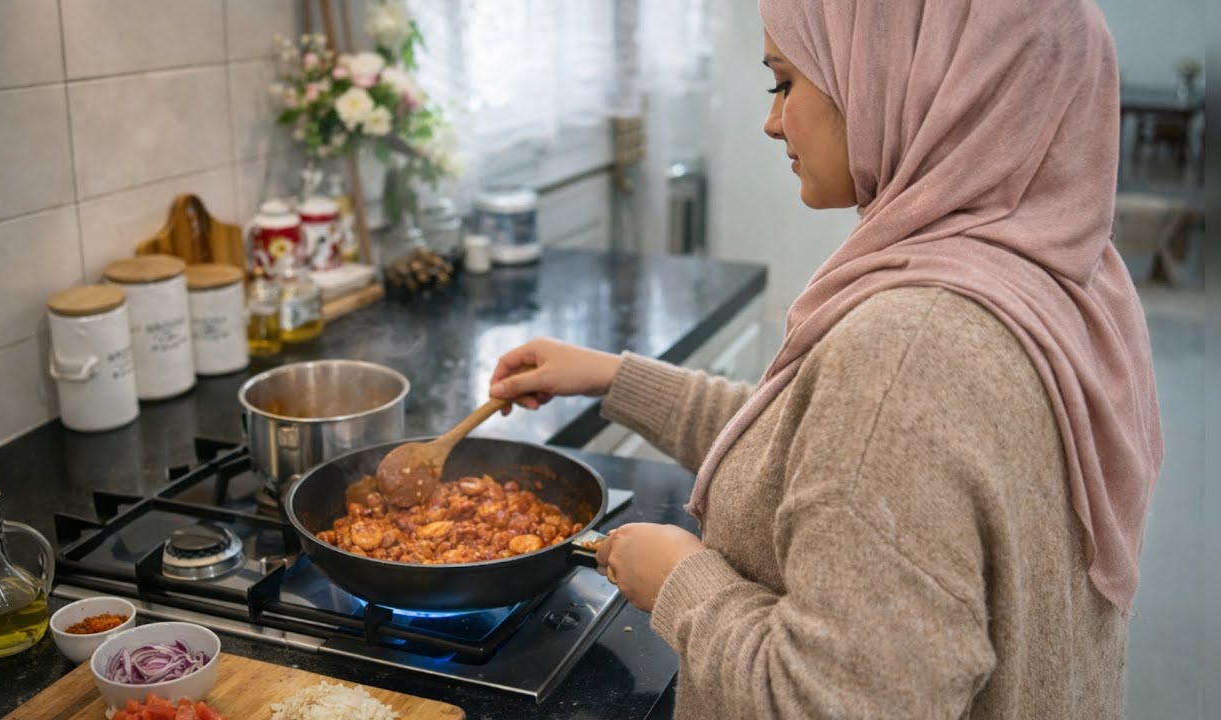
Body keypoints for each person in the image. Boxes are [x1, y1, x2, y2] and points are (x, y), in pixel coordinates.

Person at [490, 0, 1162, 717]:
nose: (772, 120)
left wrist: (680, 581)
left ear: (904, 81)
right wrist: (613, 377)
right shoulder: (1060, 273)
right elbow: (827, 455)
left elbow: (832, 702)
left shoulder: (907, 349)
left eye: (784, 82)